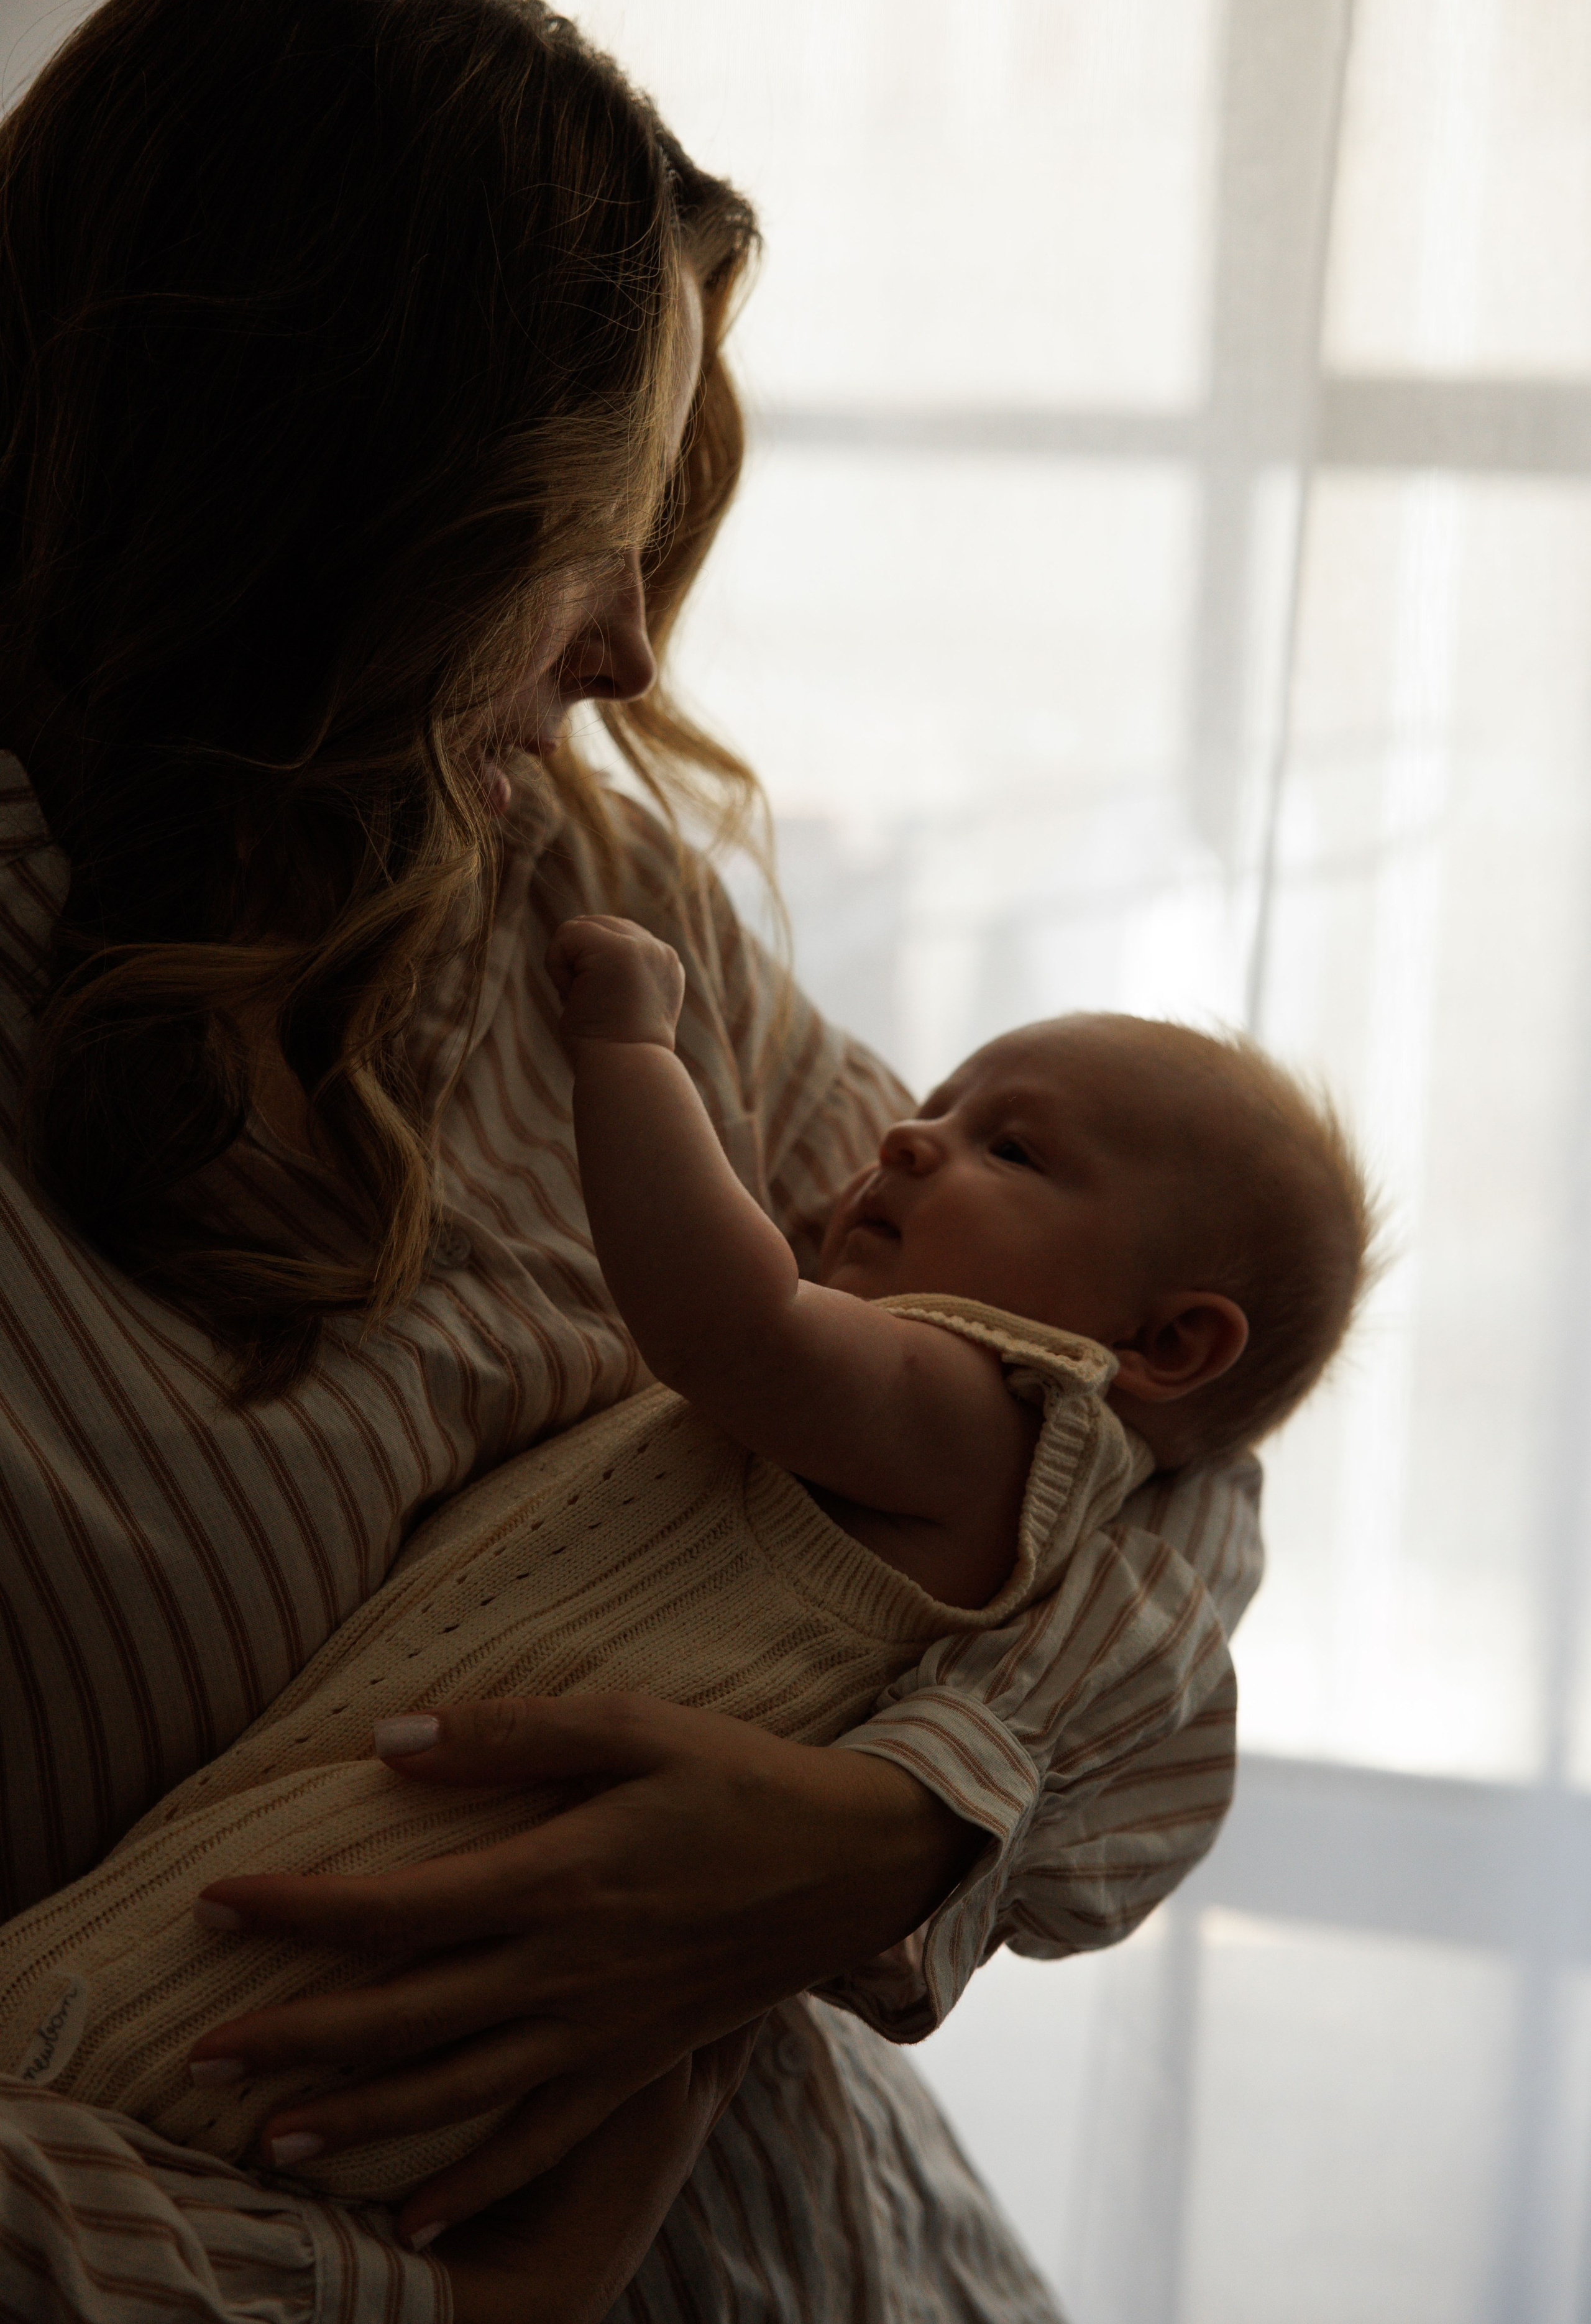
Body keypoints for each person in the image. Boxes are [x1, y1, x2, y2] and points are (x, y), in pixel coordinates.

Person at [0, 0, 1264, 2320]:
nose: (625, 659)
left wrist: (892, 1822)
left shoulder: (563, 880)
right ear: (311, 523)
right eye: (572, 538)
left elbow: (1159, 1423)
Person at [0, 938, 1373, 2223]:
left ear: (1167, 1342)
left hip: (421, 1901)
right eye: (941, 1106)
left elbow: (729, 1317)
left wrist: (628, 1044)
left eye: (1004, 1146)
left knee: (145, 2055)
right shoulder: (944, 1401)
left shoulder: (990, 1415)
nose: (904, 1133)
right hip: (384, 1875)